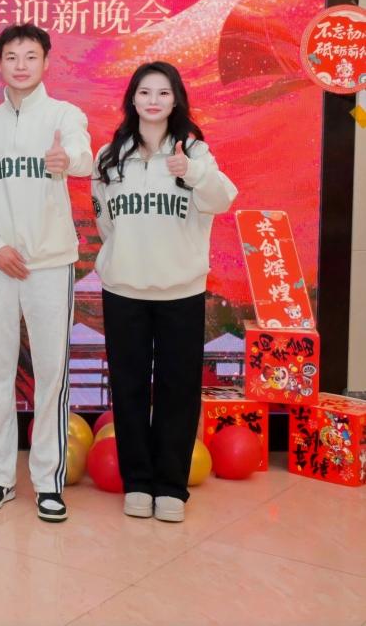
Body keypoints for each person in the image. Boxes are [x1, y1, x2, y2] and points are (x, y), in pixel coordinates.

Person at [92, 61, 237, 523]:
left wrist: (191, 172)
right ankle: (137, 482)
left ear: (176, 100)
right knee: (129, 387)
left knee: (178, 389)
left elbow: (222, 200)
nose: (153, 101)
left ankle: (172, 486)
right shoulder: (109, 156)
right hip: (124, 288)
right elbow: (106, 223)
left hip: (181, 291)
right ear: (132, 99)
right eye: (144, 92)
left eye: (163, 92)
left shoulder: (194, 151)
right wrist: (126, 257)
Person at [0, 22, 91, 523]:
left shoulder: (64, 115)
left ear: (46, 62)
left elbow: (83, 157)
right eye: (12, 57)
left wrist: (67, 159)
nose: (21, 65)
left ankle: (48, 482)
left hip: (50, 264)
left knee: (51, 374)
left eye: (30, 56)